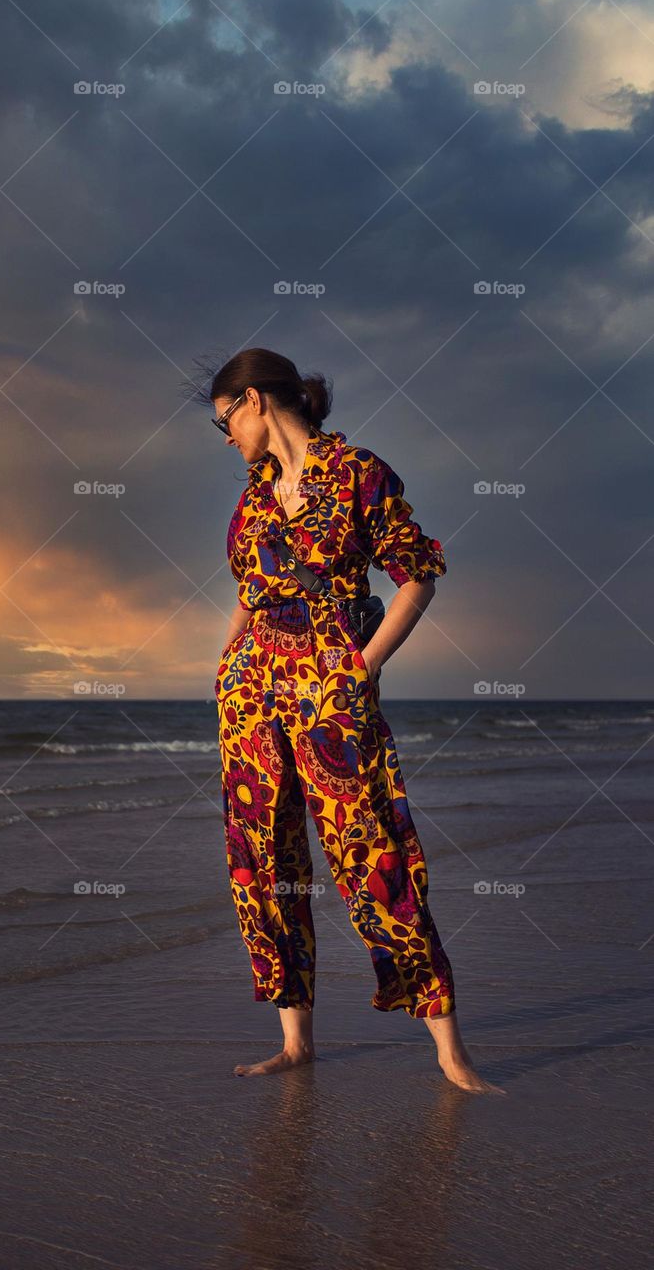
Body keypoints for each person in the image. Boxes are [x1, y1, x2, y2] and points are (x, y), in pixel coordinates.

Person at [210, 347, 504, 1095]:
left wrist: (362, 667)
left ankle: (449, 1051)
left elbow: (417, 576)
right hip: (251, 694)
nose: (225, 439)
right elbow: (249, 592)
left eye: (224, 421)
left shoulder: (358, 474)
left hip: (332, 684)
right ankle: (295, 1040)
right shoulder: (251, 501)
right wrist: (228, 662)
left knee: (374, 855)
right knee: (263, 865)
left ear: (254, 400)